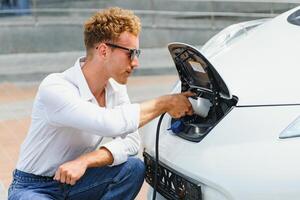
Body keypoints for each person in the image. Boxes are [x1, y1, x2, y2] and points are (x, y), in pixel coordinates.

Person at [8, 7, 194, 200]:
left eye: (137, 53)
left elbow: (131, 142)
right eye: (130, 53)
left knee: (132, 169)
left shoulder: (115, 88)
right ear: (103, 51)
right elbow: (108, 123)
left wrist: (85, 161)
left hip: (77, 181)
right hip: (33, 187)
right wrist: (165, 103)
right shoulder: (56, 87)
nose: (136, 62)